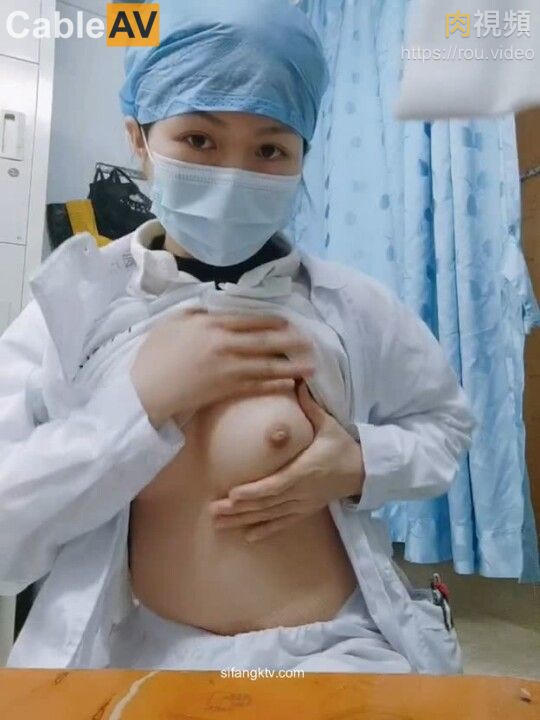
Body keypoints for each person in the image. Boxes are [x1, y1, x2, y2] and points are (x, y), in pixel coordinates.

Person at [0, 0, 475, 673]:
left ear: (304, 157)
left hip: (333, 653)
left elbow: (446, 426)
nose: (232, 173)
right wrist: (139, 405)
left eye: (270, 149)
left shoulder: (350, 308)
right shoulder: (73, 313)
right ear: (139, 141)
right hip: (144, 659)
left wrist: (360, 462)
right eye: (199, 139)